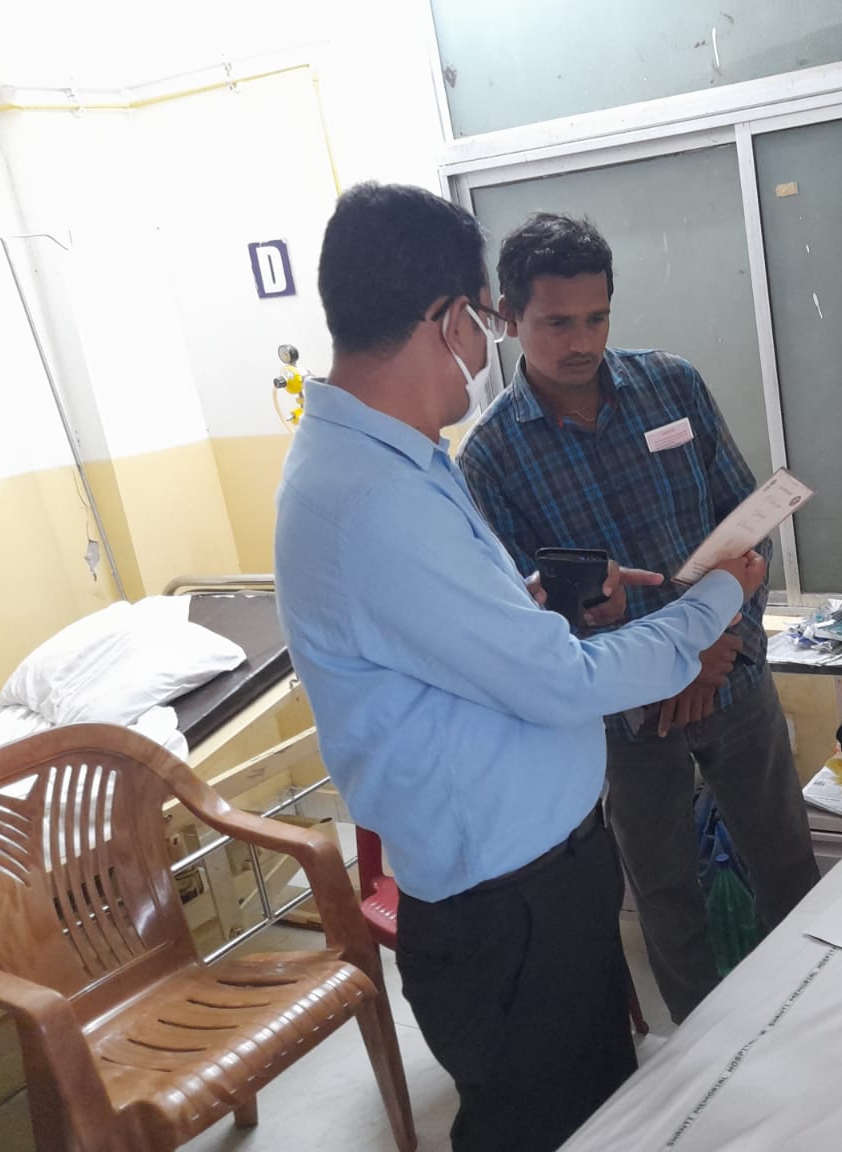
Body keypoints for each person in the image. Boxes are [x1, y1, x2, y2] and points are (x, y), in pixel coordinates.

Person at [273, 183, 768, 1152]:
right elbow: (560, 682)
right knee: (542, 1125)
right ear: (449, 319)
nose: (485, 347)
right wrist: (713, 602)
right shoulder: (374, 498)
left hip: (544, 878)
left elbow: (464, 647)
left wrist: (534, 606)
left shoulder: (397, 463)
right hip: (504, 911)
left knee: (596, 1111)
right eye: (488, 323)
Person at [458, 213, 820, 1022]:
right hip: (627, 721)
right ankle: (706, 1052)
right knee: (664, 898)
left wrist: (719, 646)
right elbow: (529, 622)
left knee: (788, 869)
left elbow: (748, 527)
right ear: (509, 318)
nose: (582, 342)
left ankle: (814, 1026)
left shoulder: (672, 385)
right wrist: (662, 668)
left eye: (598, 318)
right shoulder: (490, 459)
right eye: (557, 323)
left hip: (733, 682)